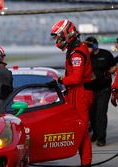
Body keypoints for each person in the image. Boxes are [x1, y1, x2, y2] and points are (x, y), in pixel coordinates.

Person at [51, 20, 96, 167]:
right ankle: (85, 161)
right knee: (79, 129)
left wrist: (61, 80)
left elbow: (76, 78)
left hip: (80, 93)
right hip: (78, 92)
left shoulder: (76, 52)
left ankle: (86, 162)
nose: (58, 41)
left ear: (67, 34)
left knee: (81, 129)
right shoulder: (77, 48)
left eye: (59, 37)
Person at [84, 36, 116, 147]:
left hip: (104, 90)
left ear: (95, 46)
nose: (86, 48)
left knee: (101, 114)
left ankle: (101, 138)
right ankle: (96, 133)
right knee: (91, 114)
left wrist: (108, 73)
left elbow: (114, 66)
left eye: (88, 46)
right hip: (90, 90)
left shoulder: (106, 54)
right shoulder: (85, 56)